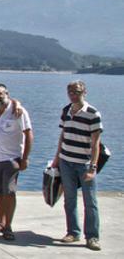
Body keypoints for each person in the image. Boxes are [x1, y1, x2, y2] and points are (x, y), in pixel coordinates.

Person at [52, 80, 103, 251]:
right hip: (66, 161)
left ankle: (92, 237)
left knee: (90, 202)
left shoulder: (93, 113)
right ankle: (73, 232)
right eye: (71, 92)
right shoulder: (66, 110)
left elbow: (96, 143)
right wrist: (56, 159)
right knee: (69, 199)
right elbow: (63, 135)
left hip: (84, 163)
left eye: (77, 91)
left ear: (84, 92)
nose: (73, 94)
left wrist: (93, 168)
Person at [0, 83, 33, 241]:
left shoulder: (17, 111)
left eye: (0, 94)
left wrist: (25, 158)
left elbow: (29, 135)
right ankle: (2, 222)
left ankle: (8, 226)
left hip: (11, 159)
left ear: (7, 93)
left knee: (9, 193)